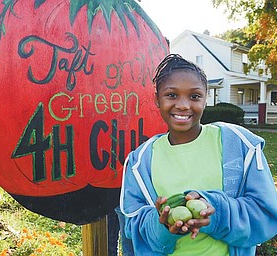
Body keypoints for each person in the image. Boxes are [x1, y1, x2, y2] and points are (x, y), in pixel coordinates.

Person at [118, 54, 277, 255]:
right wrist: (162, 226)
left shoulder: (238, 144)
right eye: (172, 95)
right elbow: (134, 227)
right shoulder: (139, 162)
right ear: (157, 99)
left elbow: (266, 213)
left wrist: (216, 213)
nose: (183, 105)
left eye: (194, 96)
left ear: (205, 98)